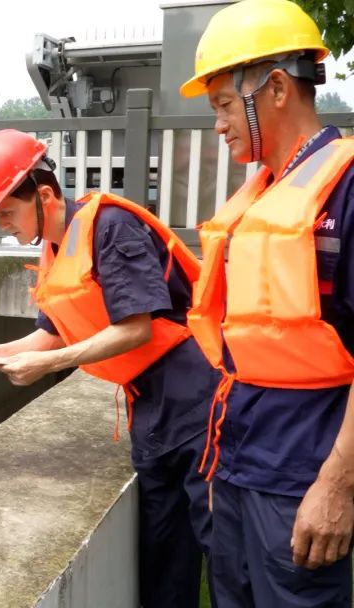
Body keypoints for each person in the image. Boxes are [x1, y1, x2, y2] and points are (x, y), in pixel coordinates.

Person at [0, 129, 219, 607]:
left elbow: (136, 327)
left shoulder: (110, 227)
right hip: (151, 409)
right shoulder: (55, 247)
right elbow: (52, 332)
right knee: (163, 553)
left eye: (7, 213)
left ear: (44, 194)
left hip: (197, 400)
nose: (3, 226)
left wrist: (50, 364)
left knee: (221, 547)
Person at [179, 0, 354, 605]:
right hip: (237, 460)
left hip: (299, 473)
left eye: (225, 105)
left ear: (276, 87)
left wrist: (337, 484)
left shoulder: (346, 191)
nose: (219, 124)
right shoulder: (262, 192)